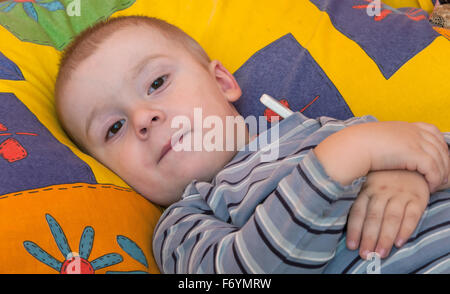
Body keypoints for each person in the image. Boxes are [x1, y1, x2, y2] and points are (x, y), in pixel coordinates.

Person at [54, 15, 450, 273]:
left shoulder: (323, 129)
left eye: (157, 83)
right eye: (114, 128)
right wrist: (342, 161)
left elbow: (433, 146)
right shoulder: (179, 228)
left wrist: (414, 174)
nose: (143, 119)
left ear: (223, 82)